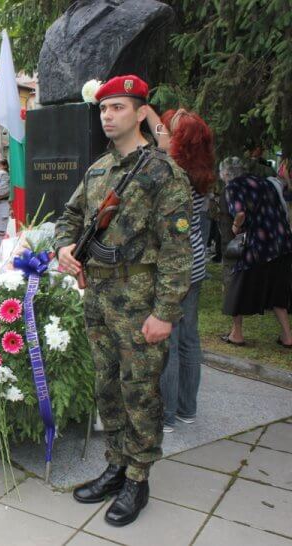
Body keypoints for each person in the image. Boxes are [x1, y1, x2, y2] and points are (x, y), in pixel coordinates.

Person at [55, 75, 193, 526]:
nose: (108, 116)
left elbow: (177, 252)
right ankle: (115, 464)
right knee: (107, 386)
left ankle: (138, 477)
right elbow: (70, 215)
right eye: (103, 109)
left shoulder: (163, 174)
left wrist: (165, 314)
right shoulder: (98, 171)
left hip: (140, 302)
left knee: (140, 393)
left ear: (139, 112)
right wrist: (63, 248)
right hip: (98, 297)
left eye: (117, 107)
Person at [146, 109, 215, 433]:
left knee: (169, 342)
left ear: (180, 143)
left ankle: (167, 415)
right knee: (189, 340)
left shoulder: (174, 174)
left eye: (172, 133)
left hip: (175, 268)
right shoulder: (201, 172)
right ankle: (188, 409)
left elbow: (160, 141)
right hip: (197, 264)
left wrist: (144, 109)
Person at [219, 157, 292, 348]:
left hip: (258, 244)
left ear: (226, 174)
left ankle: (237, 334)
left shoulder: (233, 186)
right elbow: (284, 200)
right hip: (282, 242)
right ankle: (287, 337)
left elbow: (240, 213)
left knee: (237, 286)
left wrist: (235, 228)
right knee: (277, 291)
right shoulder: (263, 182)